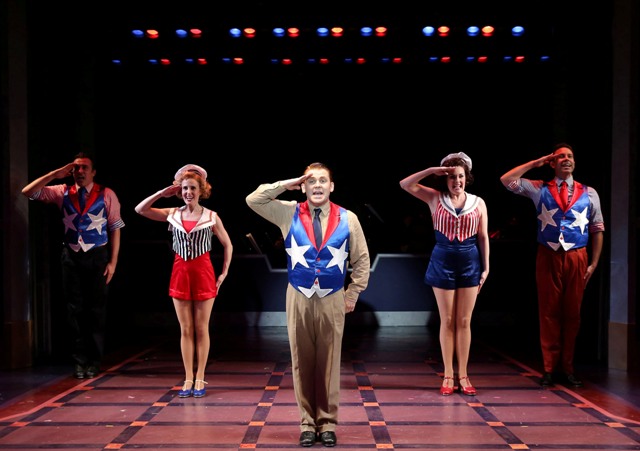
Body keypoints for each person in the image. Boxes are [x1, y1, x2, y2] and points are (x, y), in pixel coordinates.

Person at [246, 162, 370, 448]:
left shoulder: (347, 218)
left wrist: (352, 295)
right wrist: (286, 183)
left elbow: (361, 260)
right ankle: (306, 423)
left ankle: (327, 423)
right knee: (301, 361)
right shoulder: (289, 211)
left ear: (332, 186)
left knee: (329, 363)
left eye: (322, 180)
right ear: (303, 185)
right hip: (299, 295)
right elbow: (254, 199)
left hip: (333, 297)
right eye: (310, 181)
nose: (317, 185)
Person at [500, 143, 604, 388]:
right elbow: (506, 180)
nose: (566, 159)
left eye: (569, 156)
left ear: (574, 162)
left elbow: (598, 228)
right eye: (560, 157)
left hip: (577, 256)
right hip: (548, 255)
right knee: (548, 313)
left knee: (573, 315)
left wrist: (594, 263)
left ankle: (567, 368)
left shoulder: (589, 193)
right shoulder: (539, 188)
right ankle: (548, 368)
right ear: (552, 163)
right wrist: (537, 162)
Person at [21, 152, 125, 379]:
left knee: (95, 310)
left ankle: (95, 361)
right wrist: (55, 174)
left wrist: (113, 262)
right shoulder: (62, 191)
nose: (80, 172)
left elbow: (115, 227)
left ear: (93, 172)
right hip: (71, 256)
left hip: (97, 256)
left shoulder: (106, 194)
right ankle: (80, 361)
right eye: (76, 168)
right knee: (74, 310)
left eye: (85, 167)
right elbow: (28, 192)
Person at [135, 164, 233, 398]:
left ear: (201, 190)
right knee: (186, 329)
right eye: (185, 188)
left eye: (193, 188)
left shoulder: (211, 216)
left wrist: (224, 272)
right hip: (180, 273)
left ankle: (200, 377)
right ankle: (188, 377)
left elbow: (228, 244)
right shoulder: (173, 214)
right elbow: (140, 209)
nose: (189, 192)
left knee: (201, 328)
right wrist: (161, 193)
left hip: (203, 274)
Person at [399, 152, 490, 397]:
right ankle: (448, 374)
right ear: (445, 178)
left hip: (469, 260)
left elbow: (483, 237)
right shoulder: (435, 198)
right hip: (443, 259)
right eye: (451, 176)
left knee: (464, 321)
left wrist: (486, 267)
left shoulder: (478, 202)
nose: (456, 181)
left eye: (460, 176)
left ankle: (464, 374)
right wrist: (431, 169)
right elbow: (405, 184)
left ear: (467, 177)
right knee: (447, 320)